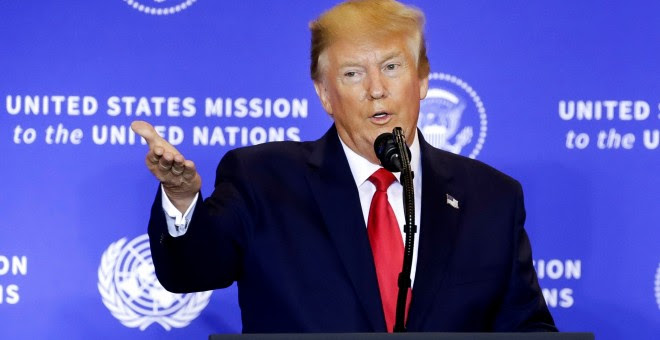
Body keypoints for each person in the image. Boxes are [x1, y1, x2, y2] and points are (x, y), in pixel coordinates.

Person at [132, 0, 557, 333]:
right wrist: (183, 198)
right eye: (353, 73)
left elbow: (525, 327)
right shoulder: (264, 179)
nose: (377, 90)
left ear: (423, 78)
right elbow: (191, 271)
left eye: (392, 67)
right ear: (324, 94)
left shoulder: (490, 197)